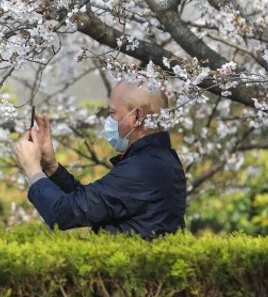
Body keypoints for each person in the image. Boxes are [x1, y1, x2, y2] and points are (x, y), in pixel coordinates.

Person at [14, 80, 186, 238]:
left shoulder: (144, 169)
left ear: (137, 117)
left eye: (113, 113)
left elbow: (65, 213)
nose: (109, 120)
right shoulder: (156, 160)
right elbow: (90, 205)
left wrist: (33, 169)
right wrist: (51, 166)